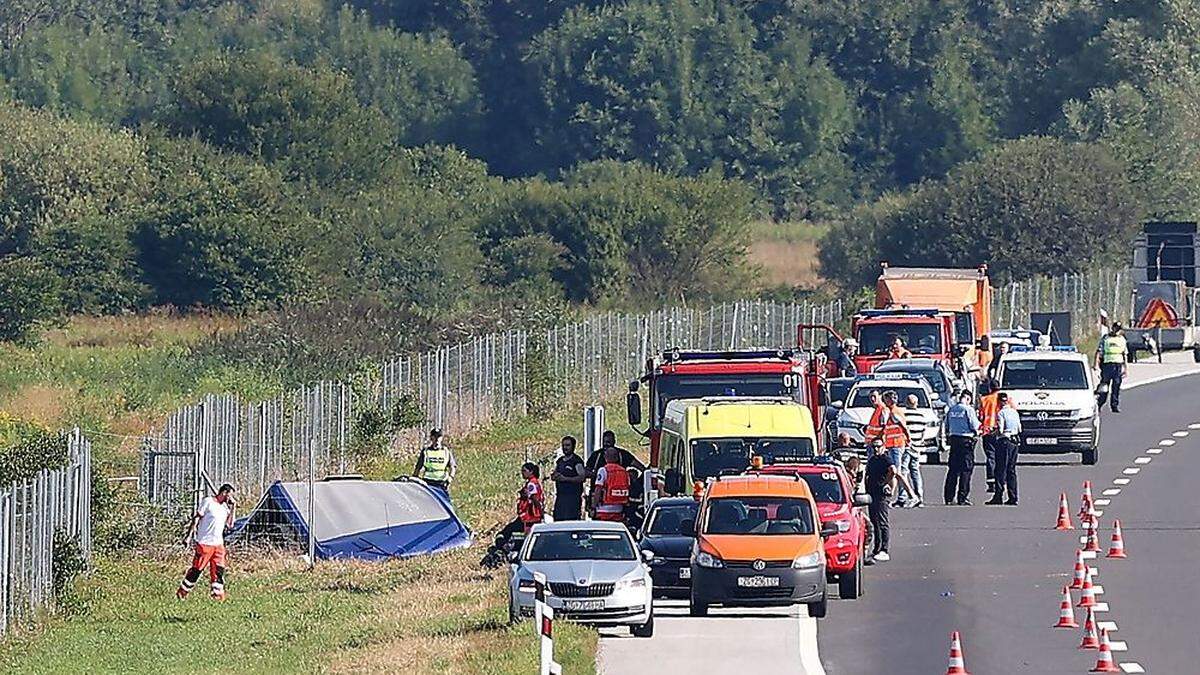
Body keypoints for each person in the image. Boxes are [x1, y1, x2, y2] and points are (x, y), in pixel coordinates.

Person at [177, 483, 235, 601]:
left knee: (218, 570)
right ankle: (182, 592)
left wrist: (234, 507)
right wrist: (189, 536)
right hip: (204, 543)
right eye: (230, 495)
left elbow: (230, 525)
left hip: (218, 544)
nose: (231, 498)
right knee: (197, 570)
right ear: (224, 493)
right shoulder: (208, 502)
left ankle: (217, 596)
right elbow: (197, 518)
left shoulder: (225, 508)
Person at [866, 391, 916, 501]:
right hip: (891, 445)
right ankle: (897, 496)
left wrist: (908, 439)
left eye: (885, 399)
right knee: (895, 472)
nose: (885, 401)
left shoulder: (892, 412)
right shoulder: (888, 411)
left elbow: (902, 427)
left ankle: (909, 496)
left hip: (896, 444)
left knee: (897, 472)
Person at [943, 391, 981, 505]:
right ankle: (962, 497)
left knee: (953, 470)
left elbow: (946, 425)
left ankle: (949, 497)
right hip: (966, 441)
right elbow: (975, 425)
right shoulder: (968, 410)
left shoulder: (952, 409)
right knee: (966, 470)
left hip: (954, 440)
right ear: (968, 399)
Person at [864, 441, 898, 562]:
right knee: (874, 521)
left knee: (882, 521)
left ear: (883, 447)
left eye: (878, 447)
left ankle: (884, 549)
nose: (876, 449)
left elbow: (893, 471)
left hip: (881, 494)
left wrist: (886, 484)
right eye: (874, 447)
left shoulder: (886, 459)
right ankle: (877, 548)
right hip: (872, 493)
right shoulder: (873, 459)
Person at [987, 393, 1022, 505]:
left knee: (1000, 470)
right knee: (1011, 470)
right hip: (1014, 442)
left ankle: (998, 496)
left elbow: (1001, 430)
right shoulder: (1014, 412)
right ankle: (1013, 497)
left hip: (1004, 442)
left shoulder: (1001, 413)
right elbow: (1019, 428)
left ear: (999, 402)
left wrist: (993, 431)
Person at [550, 435, 587, 521]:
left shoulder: (576, 461)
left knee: (570, 521)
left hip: (572, 498)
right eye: (563, 445)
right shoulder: (560, 461)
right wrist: (555, 476)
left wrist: (566, 479)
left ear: (573, 447)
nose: (565, 448)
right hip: (560, 497)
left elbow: (582, 477)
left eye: (567, 445)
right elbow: (556, 473)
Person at [592, 446, 632, 523]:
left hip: (603, 510)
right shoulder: (624, 472)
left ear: (605, 457)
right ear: (617, 458)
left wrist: (594, 506)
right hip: (619, 509)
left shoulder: (603, 470)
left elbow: (598, 489)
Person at [898, 394, 924, 508]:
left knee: (903, 472)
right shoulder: (921, 416)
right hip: (917, 447)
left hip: (907, 447)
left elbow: (903, 430)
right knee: (915, 472)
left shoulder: (904, 415)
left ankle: (902, 497)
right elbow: (923, 433)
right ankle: (919, 496)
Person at [1095, 322, 1128, 413]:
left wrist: (1126, 368)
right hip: (1107, 365)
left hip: (1118, 365)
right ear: (1112, 328)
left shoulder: (1122, 340)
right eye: (1115, 328)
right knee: (1104, 386)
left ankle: (1114, 405)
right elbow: (1099, 352)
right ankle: (1099, 403)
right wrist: (1096, 365)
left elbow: (1125, 354)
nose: (1116, 331)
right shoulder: (1106, 338)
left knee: (1116, 386)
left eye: (1118, 329)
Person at [413, 428, 456, 497]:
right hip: (428, 482)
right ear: (431, 438)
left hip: (442, 483)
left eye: (439, 437)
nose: (437, 439)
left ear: (441, 438)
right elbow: (418, 467)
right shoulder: (426, 451)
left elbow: (452, 466)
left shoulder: (446, 451)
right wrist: (414, 480)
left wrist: (450, 478)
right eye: (434, 437)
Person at [977, 380, 1001, 494]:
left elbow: (981, 416)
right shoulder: (1005, 399)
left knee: (991, 457)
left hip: (987, 431)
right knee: (1001, 458)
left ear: (990, 388)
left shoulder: (984, 400)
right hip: (1000, 431)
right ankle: (1000, 481)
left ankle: (991, 483)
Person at [517, 462, 545, 532]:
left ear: (531, 471)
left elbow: (534, 498)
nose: (522, 473)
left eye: (524, 471)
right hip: (534, 514)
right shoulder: (535, 482)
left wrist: (541, 513)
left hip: (531, 515)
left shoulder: (531, 484)